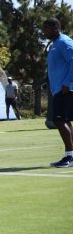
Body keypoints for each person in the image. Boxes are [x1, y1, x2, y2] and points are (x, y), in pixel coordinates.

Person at [43, 17, 73, 168]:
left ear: (56, 27)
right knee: (65, 121)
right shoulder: (54, 44)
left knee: (59, 120)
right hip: (58, 90)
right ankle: (71, 155)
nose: (44, 31)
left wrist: (69, 83)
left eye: (46, 28)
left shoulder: (64, 42)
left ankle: (69, 155)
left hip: (65, 89)